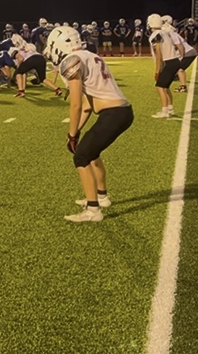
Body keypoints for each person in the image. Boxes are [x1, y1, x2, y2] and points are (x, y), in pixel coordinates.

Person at [43, 25, 134, 223]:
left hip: (113, 114)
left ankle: (93, 210)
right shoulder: (91, 56)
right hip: (122, 111)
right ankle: (101, 197)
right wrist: (78, 131)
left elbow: (75, 104)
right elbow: (86, 105)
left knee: (81, 156)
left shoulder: (71, 61)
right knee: (91, 153)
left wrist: (71, 134)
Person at [148, 13, 179, 118]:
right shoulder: (164, 32)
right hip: (174, 60)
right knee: (166, 86)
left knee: (160, 86)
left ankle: (164, 111)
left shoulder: (156, 35)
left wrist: (157, 70)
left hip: (167, 62)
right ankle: (170, 108)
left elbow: (158, 54)